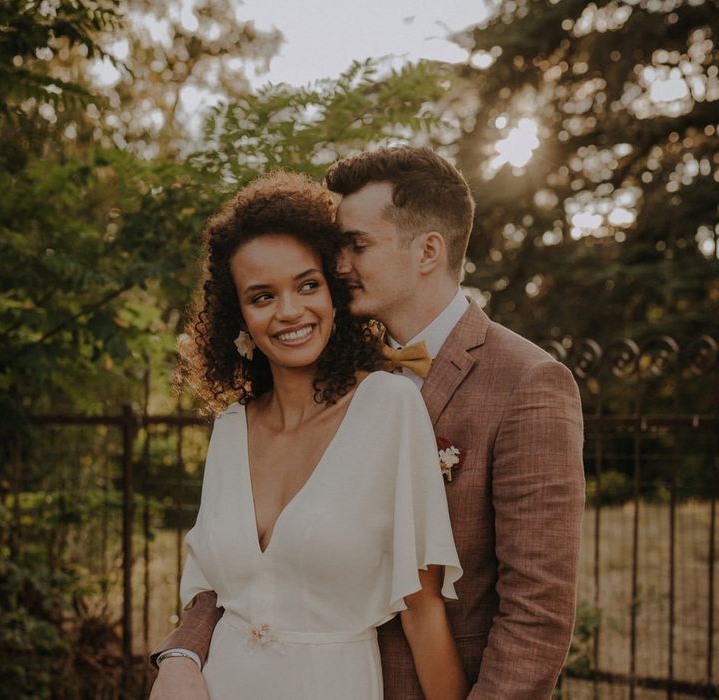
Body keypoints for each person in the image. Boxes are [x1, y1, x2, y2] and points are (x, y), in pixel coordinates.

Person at [151, 147, 586, 699]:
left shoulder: (527, 383)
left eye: (356, 246)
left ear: (428, 250)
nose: (339, 265)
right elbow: (246, 571)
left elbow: (536, 614)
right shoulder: (329, 372)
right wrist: (182, 653)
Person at [151, 171, 465, 700]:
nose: (290, 311)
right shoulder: (230, 430)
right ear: (240, 316)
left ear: (334, 293)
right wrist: (178, 662)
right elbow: (206, 590)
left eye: (307, 284)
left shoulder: (389, 408)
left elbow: (423, 610)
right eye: (262, 296)